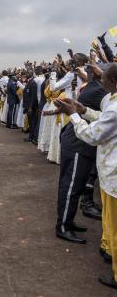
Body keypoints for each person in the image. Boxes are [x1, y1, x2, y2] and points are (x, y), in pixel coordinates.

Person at [55, 64, 117, 290]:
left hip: (105, 162)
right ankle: (67, 227)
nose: (101, 80)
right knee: (74, 190)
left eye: (104, 78)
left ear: (112, 82)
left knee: (112, 221)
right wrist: (82, 111)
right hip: (94, 156)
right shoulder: (109, 97)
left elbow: (95, 131)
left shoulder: (112, 102)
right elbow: (100, 120)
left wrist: (74, 114)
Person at [54, 64, 107, 244]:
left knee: (75, 187)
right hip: (79, 143)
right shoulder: (101, 92)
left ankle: (68, 221)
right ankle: (63, 227)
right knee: (70, 186)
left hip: (79, 142)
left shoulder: (96, 87)